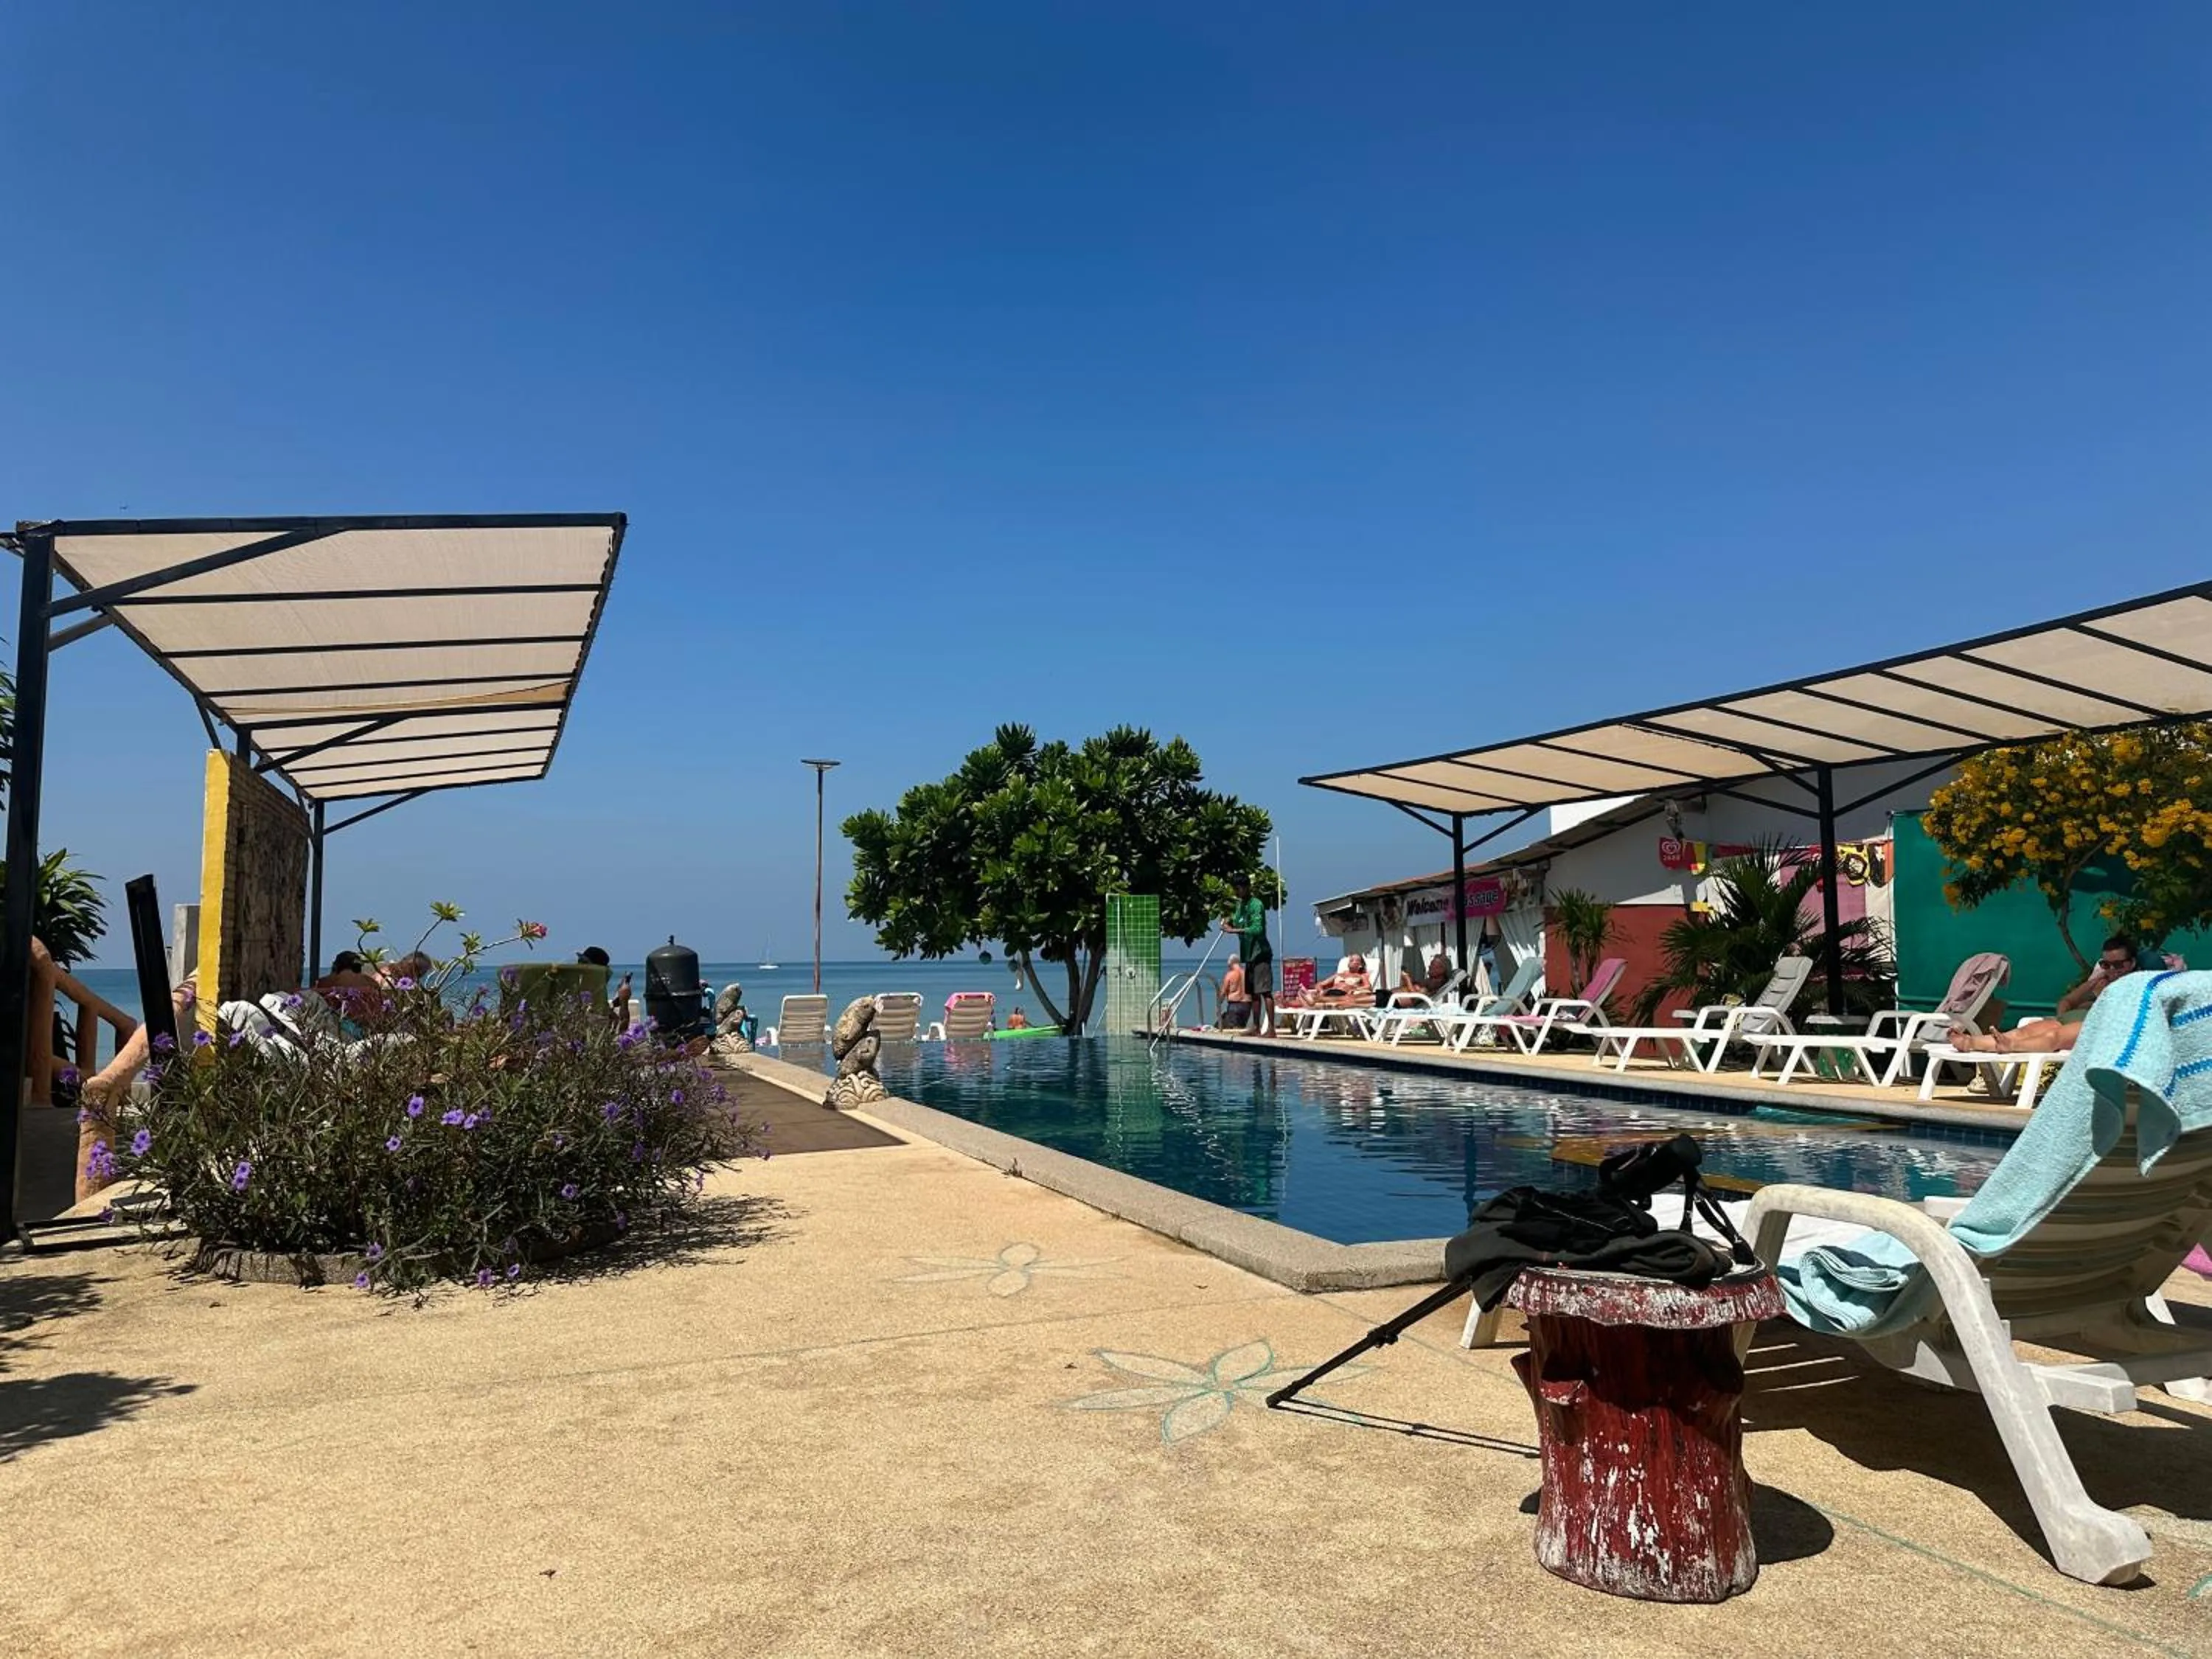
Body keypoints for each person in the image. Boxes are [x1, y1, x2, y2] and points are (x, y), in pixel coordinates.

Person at [1948, 934, 2139, 1056]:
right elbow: (2067, 1000)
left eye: (2119, 965)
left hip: (2095, 1027)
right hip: (2068, 1021)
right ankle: (1970, 1042)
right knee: (2024, 1031)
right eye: (2107, 965)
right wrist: (2064, 1014)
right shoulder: (2098, 981)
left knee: (2053, 1037)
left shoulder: (2136, 985)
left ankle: (2011, 1046)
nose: (2112, 970)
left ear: (2132, 963)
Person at [1220, 874, 1276, 1037]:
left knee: (1265, 991)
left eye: (1238, 889)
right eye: (1234, 889)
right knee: (1253, 993)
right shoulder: (1240, 905)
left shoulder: (1256, 905)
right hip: (1249, 955)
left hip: (1261, 954)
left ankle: (1271, 1029)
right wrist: (1228, 923)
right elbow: (1238, 921)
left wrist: (1234, 931)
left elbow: (1257, 929)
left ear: (1246, 887)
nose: (1236, 892)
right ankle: (1256, 1027)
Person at [576, 945, 635, 1024]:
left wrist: (612, 1005)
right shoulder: (592, 998)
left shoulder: (576, 988)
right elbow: (621, 1028)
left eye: (582, 962)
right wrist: (624, 1001)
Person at [1217, 957, 1249, 1031]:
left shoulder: (1230, 974)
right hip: (1247, 1005)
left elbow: (1223, 992)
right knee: (1241, 1028)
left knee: (1233, 1030)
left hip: (1234, 1005)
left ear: (1231, 964)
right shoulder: (1247, 974)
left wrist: (1218, 1006)